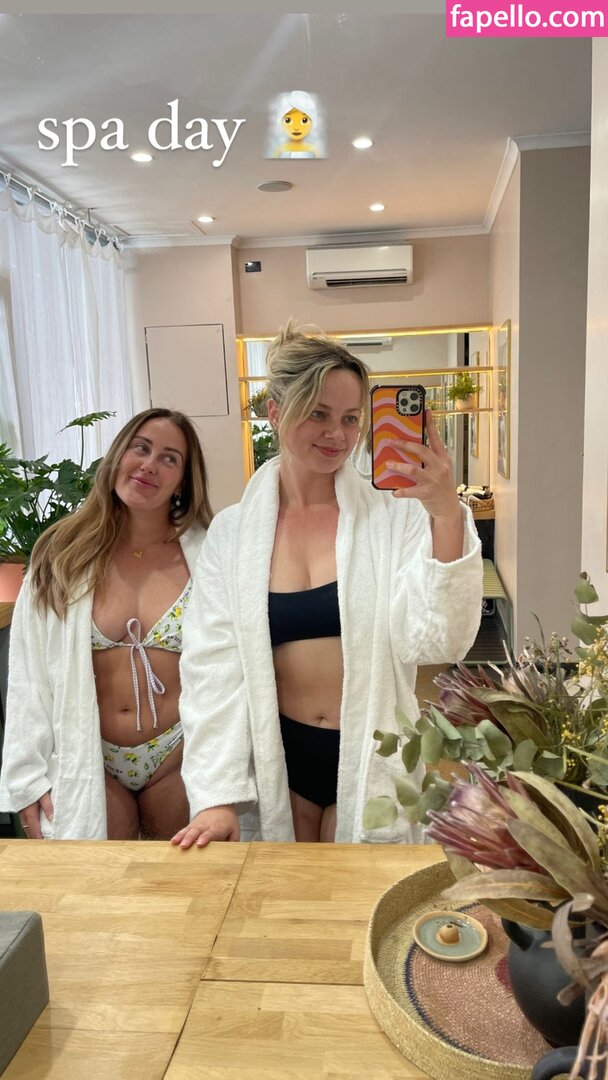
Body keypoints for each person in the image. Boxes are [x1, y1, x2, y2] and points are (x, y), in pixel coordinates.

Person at [173, 324, 483, 848]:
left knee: (363, 898)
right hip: (278, 760)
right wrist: (216, 795)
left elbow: (437, 642)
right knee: (285, 899)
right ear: (275, 412)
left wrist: (446, 513)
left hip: (372, 754)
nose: (337, 434)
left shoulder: (395, 518)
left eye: (350, 417)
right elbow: (211, 667)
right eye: (318, 414)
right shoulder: (233, 534)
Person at [0, 407, 212, 840]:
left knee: (181, 878)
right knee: (101, 879)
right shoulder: (60, 553)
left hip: (181, 753)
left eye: (169, 458)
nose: (149, 465)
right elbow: (28, 674)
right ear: (117, 456)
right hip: (90, 757)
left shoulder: (208, 553)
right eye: (141, 448)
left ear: (183, 481)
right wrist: (27, 777)